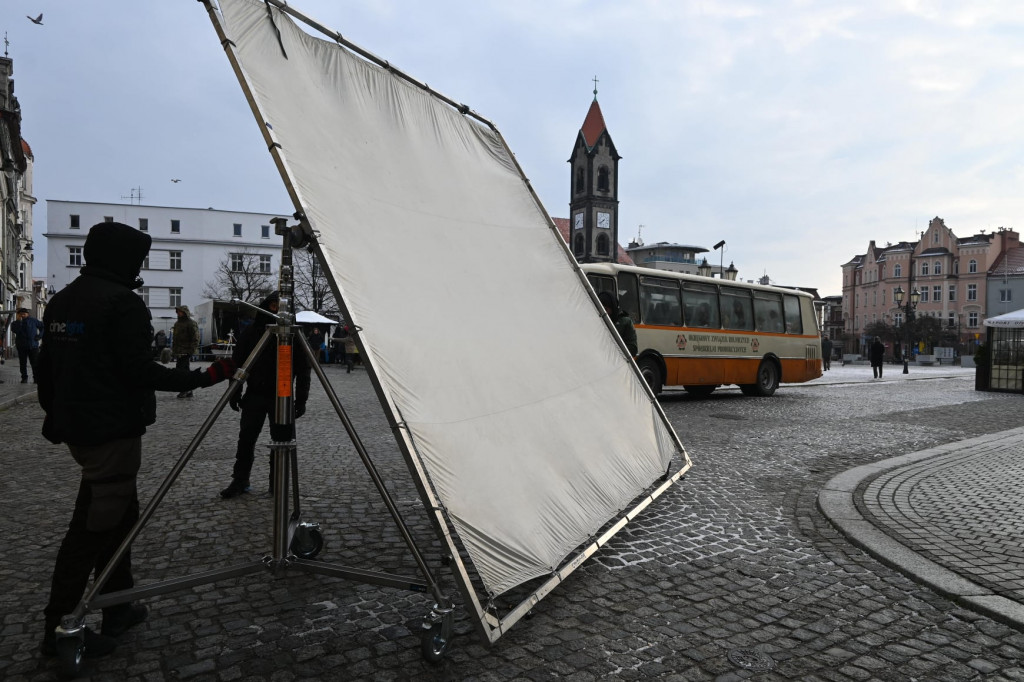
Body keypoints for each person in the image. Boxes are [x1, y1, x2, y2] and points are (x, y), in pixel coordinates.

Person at [37, 221, 235, 659]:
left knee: (120, 519)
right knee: (91, 529)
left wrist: (57, 414)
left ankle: (119, 608)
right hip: (111, 432)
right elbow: (138, 370)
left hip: (80, 428)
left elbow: (46, 368)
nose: (141, 267)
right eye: (138, 259)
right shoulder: (121, 303)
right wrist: (203, 378)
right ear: (122, 259)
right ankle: (59, 627)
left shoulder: (64, 299)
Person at [221, 291, 311, 499]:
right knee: (246, 438)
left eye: (281, 307)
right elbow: (239, 363)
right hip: (255, 394)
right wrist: (234, 392)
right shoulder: (252, 332)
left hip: (282, 395)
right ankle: (240, 479)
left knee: (281, 441)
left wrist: (302, 398)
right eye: (274, 305)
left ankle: (276, 482)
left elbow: (303, 368)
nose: (277, 310)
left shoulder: (293, 335)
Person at [597, 291, 638, 356]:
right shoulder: (596, 319)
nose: (603, 312)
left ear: (613, 308)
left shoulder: (625, 322)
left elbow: (633, 348)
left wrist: (614, 351)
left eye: (606, 309)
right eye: (600, 309)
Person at [172, 305, 199, 398]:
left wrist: (191, 350)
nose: (178, 313)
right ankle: (188, 389)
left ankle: (185, 390)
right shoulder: (177, 324)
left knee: (183, 371)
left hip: (186, 350)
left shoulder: (191, 323)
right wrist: (173, 351)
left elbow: (195, 338)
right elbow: (174, 339)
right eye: (177, 311)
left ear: (184, 312)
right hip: (178, 351)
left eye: (180, 311)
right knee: (181, 371)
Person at [10, 307, 43, 383]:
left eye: (24, 314)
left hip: (33, 345)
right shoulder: (15, 323)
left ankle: (36, 378)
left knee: (35, 362)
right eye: (21, 314)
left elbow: (42, 327)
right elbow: (15, 330)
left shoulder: (33, 321)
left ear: (27, 314)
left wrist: (39, 336)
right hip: (21, 346)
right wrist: (19, 322)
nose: (22, 316)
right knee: (22, 363)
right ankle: (24, 378)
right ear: (18, 315)